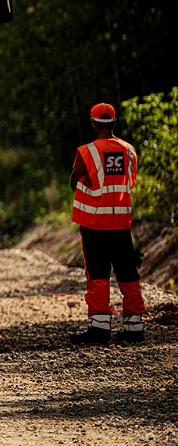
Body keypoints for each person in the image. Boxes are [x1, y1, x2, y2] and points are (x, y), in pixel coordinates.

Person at [68, 103, 145, 345]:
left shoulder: (86, 152)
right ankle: (135, 327)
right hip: (121, 224)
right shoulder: (130, 150)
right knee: (127, 273)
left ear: (93, 124)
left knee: (98, 275)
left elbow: (74, 182)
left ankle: (99, 329)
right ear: (114, 123)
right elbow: (128, 182)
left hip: (95, 225)